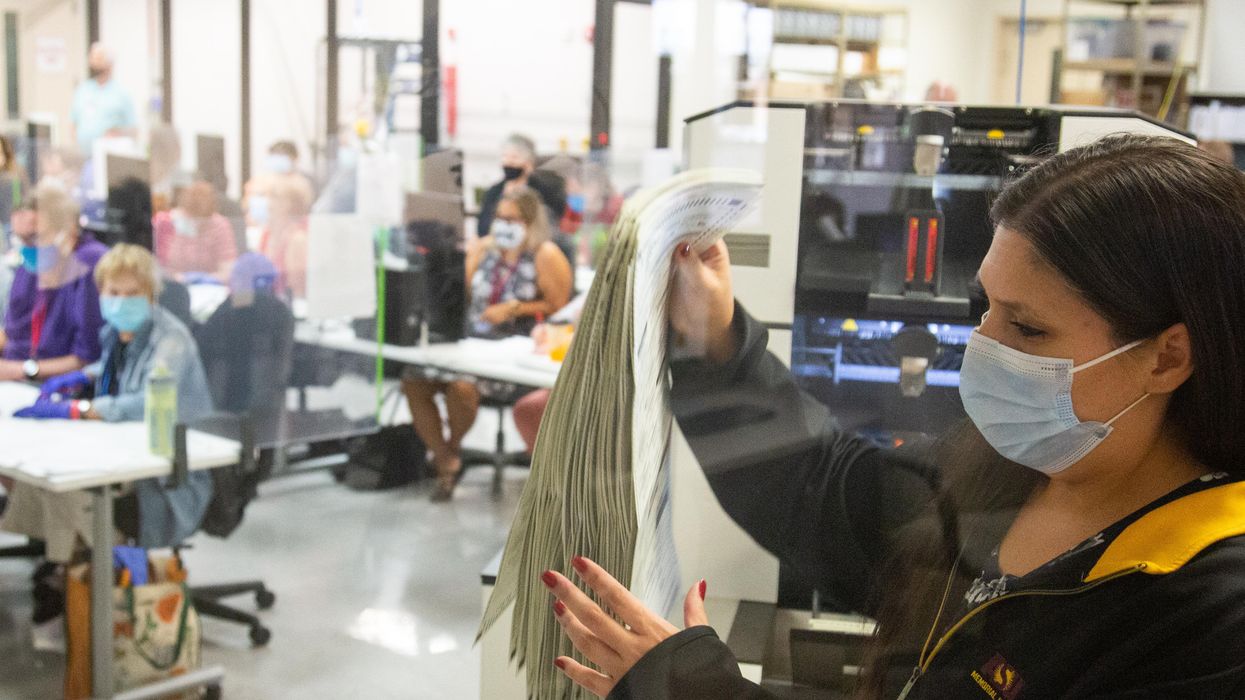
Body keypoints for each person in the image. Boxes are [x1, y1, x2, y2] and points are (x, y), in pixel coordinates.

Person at [539, 136, 1245, 698]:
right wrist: (717, 341)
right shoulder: (1021, 469)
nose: (983, 347)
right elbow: (823, 491)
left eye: (1027, 329)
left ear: (1165, 357)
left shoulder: (1209, 617)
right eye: (983, 308)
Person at [2, 244, 215, 640]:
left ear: (151, 295)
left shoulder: (172, 341)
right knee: (40, 479)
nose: (120, 302)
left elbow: (146, 399)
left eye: (132, 294)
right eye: (112, 293)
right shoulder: (117, 334)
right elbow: (113, 367)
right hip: (121, 451)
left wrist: (80, 410)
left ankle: (102, 576)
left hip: (167, 471)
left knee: (68, 490)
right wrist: (78, 377)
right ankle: (81, 572)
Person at [403, 187, 572, 501]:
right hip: (472, 344)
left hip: (513, 353)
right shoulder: (482, 250)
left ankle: (449, 454)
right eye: (499, 218)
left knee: (461, 389)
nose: (503, 225)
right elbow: (460, 295)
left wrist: (514, 308)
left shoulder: (546, 255)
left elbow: (559, 308)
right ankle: (445, 454)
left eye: (512, 219)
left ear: (530, 222)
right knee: (414, 381)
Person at [0, 184, 106, 381]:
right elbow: (12, 332)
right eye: (20, 239)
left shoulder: (88, 265)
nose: (26, 248)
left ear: (69, 231)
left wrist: (21, 370)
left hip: (54, 384)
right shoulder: (30, 265)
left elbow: (87, 358)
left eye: (35, 237)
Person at [476, 134, 565, 238]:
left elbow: (558, 218)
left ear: (528, 162)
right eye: (505, 156)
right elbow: (482, 228)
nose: (508, 162)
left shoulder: (544, 191)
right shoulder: (494, 192)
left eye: (514, 157)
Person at [153, 180, 239, 282]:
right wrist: (176, 279)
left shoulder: (220, 226)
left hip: (210, 288)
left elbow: (228, 271)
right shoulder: (165, 223)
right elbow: (154, 266)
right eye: (192, 217)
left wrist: (208, 279)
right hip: (171, 285)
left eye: (202, 220)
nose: (197, 224)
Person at [70, 43, 136, 157]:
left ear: (110, 64)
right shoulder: (83, 90)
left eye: (99, 59)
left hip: (110, 157)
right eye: (92, 58)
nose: (94, 63)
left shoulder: (121, 94)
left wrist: (118, 133)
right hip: (84, 157)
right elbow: (73, 123)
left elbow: (134, 130)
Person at [257, 175, 313, 298]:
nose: (268, 202)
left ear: (290, 203)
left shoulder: (297, 238)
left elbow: (298, 289)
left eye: (274, 196)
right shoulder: (267, 234)